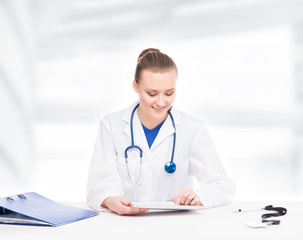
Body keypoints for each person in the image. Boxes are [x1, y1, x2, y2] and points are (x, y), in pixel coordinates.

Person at [87, 48, 235, 215]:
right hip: (125, 225)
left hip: (175, 225)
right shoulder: (111, 125)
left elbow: (222, 185)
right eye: (152, 93)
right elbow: (98, 183)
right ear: (135, 86)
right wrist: (109, 200)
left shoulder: (192, 128)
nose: (161, 102)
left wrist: (198, 196)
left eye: (169, 93)